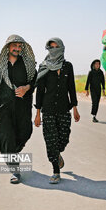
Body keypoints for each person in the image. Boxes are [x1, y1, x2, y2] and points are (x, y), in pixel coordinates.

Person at [0, 34, 37, 184]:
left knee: (25, 132)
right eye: (14, 45)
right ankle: (14, 169)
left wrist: (27, 88)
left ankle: (11, 153)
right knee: (6, 136)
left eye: (19, 46)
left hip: (22, 106)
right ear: (8, 47)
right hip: (3, 106)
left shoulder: (28, 63)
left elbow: (35, 81)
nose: (17, 48)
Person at [34, 38, 80, 184]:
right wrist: (37, 114)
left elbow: (71, 87)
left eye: (56, 46)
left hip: (63, 108)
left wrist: (75, 108)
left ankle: (58, 154)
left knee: (63, 140)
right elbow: (40, 92)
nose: (54, 49)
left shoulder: (68, 66)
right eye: (51, 47)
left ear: (62, 48)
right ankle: (56, 171)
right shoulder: (43, 67)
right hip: (47, 110)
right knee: (51, 140)